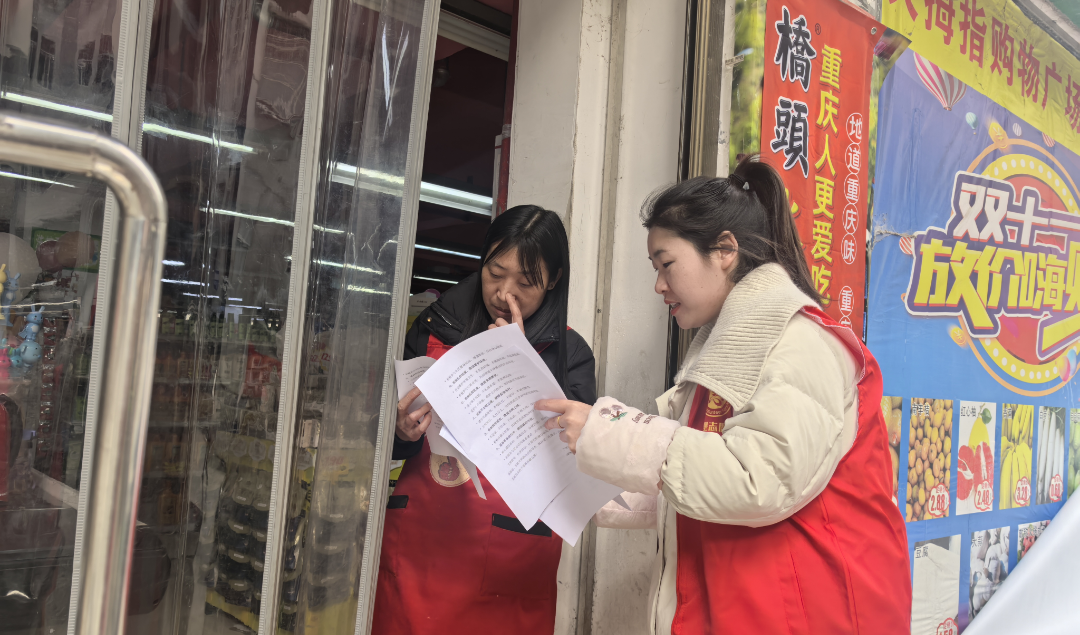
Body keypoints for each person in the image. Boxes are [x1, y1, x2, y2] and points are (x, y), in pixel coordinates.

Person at [537, 156, 911, 635]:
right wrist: (583, 477)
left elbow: (758, 479)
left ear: (725, 250)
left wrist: (610, 432)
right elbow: (695, 478)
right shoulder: (726, 352)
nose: (659, 285)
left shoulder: (803, 343)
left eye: (667, 264)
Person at [372, 205, 596, 635]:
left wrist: (516, 362)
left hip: (509, 550)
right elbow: (385, 440)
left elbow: (574, 463)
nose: (503, 292)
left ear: (553, 280)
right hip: (421, 538)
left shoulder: (570, 354)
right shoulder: (433, 327)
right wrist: (401, 432)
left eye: (525, 282)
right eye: (495, 272)